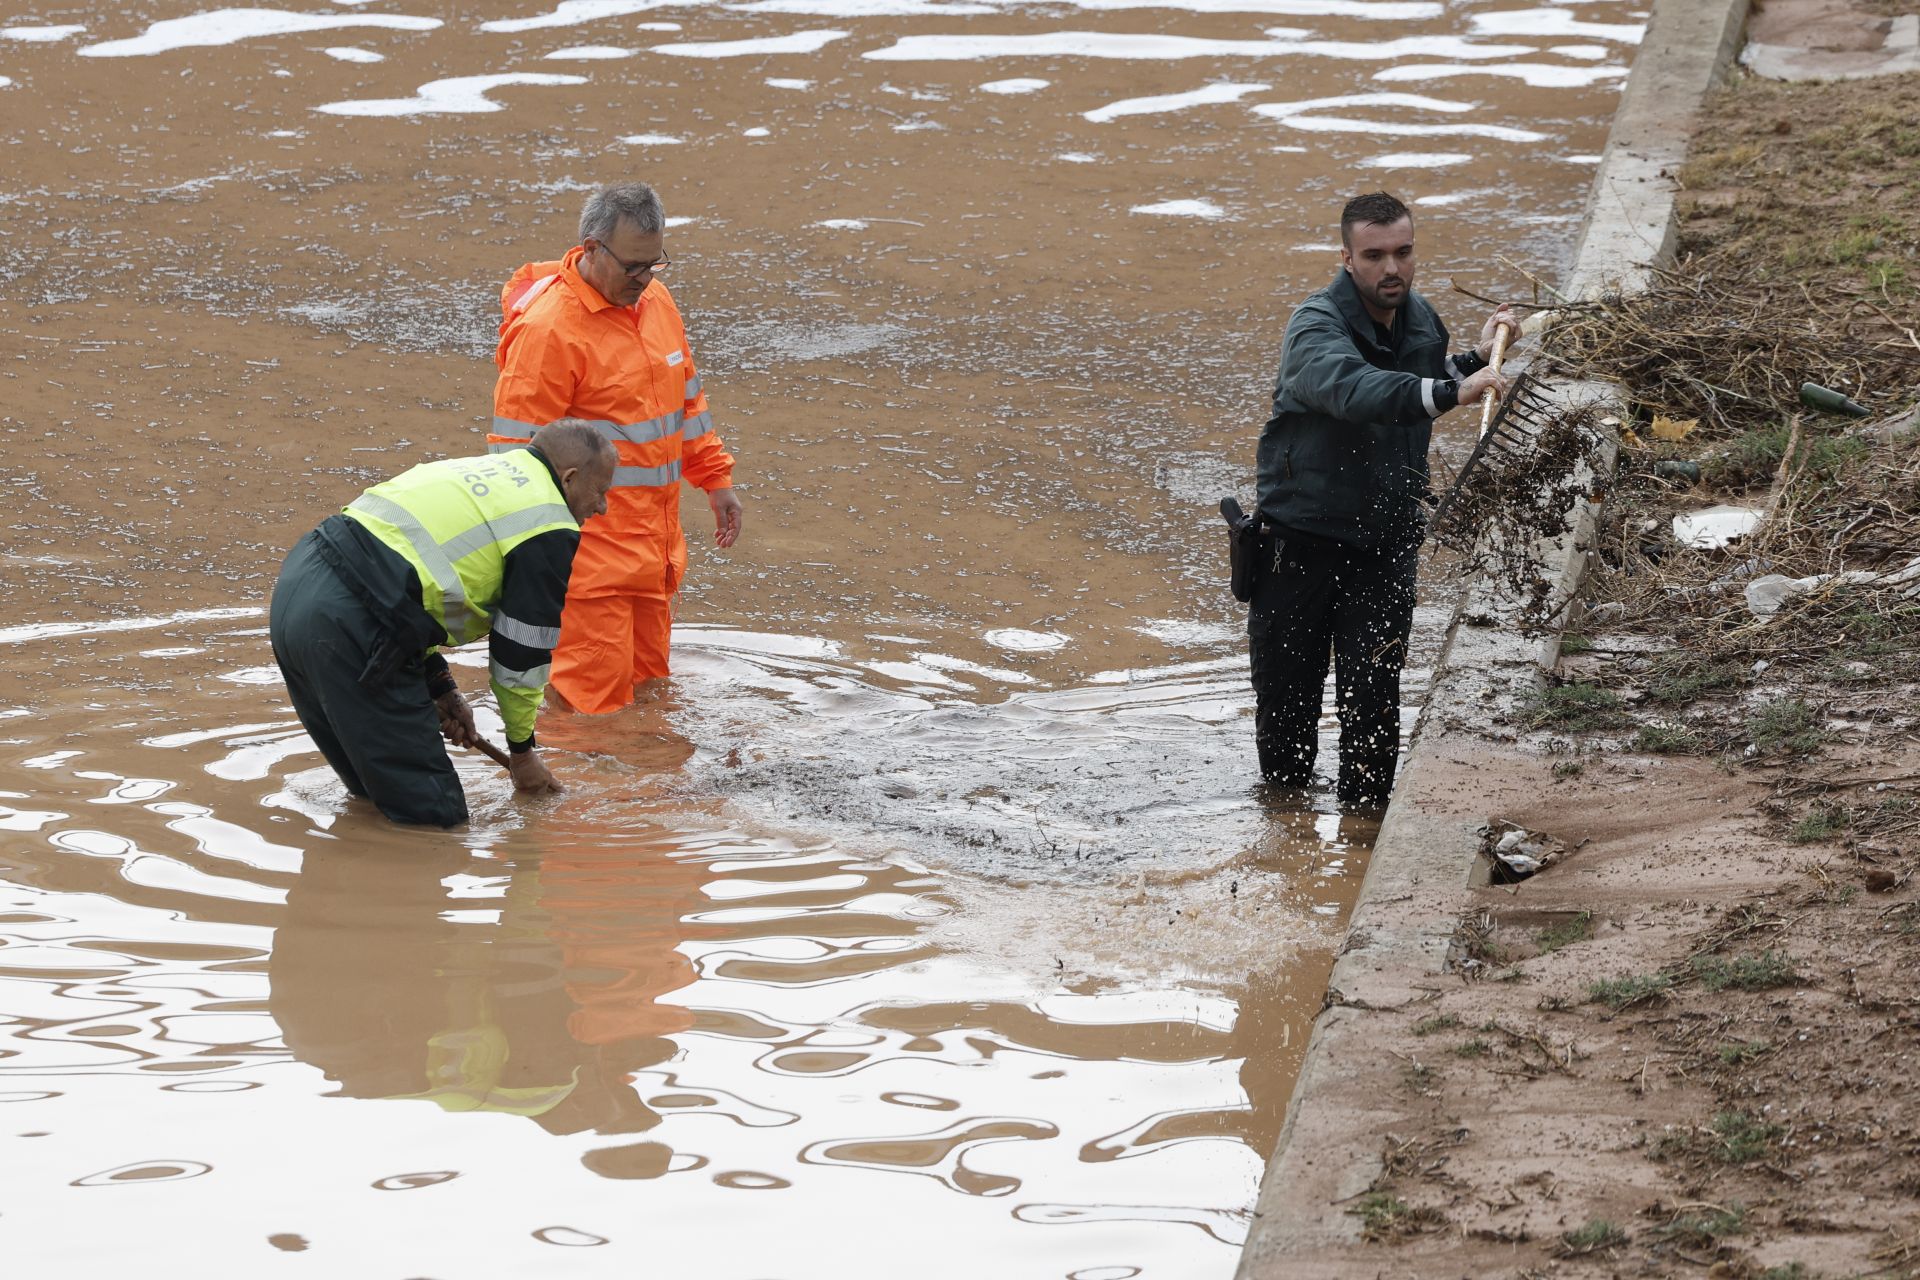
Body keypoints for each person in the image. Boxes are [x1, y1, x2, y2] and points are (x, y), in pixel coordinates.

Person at [1250, 191, 1512, 805]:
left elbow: (1417, 379)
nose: (1391, 269)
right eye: (1374, 256)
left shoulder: (1420, 320)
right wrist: (1455, 392)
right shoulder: (1313, 328)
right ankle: (1287, 850)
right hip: (1299, 547)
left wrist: (1474, 360)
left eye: (1403, 252)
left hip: (1386, 546)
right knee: (1287, 723)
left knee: (1374, 710)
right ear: (1346, 258)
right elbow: (1356, 389)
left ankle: (1362, 844)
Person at [270, 421, 617, 826]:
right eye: (601, 491)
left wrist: (440, 686)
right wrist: (522, 753)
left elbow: (406, 579)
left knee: (371, 798)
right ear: (570, 478)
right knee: (435, 822)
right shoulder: (548, 523)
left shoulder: (476, 474)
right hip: (350, 627)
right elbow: (520, 654)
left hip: (297, 592)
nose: (602, 507)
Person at [490, 181, 742, 718]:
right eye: (633, 266)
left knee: (649, 700)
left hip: (653, 559)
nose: (645, 279)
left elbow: (687, 403)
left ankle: (645, 798)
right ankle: (579, 802)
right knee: (589, 714)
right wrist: (533, 571)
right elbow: (515, 462)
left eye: (655, 264)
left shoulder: (655, 303)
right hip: (588, 569)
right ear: (591, 249)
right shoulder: (549, 333)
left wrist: (715, 481)